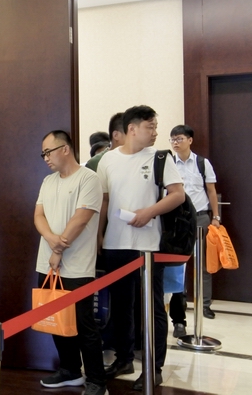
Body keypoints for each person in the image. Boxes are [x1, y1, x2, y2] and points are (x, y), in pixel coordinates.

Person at [97, 106, 185, 391]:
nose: (155, 132)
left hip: (149, 246)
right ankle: (124, 359)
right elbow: (104, 201)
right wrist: (98, 236)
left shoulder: (160, 158)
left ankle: (154, 367)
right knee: (121, 305)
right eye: (150, 127)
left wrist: (149, 212)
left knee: (153, 306)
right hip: (115, 243)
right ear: (132, 129)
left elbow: (177, 195)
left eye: (155, 126)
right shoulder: (108, 159)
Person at [35, 130, 108, 395]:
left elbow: (81, 218)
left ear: (65, 149)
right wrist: (51, 239)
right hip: (46, 264)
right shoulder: (48, 181)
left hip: (76, 266)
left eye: (48, 152)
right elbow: (38, 215)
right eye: (43, 154)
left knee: (84, 324)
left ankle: (97, 380)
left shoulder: (88, 179)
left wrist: (58, 248)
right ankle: (70, 370)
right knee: (56, 320)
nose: (45, 158)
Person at [169, 124, 220, 329]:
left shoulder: (202, 163)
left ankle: (204, 304)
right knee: (178, 264)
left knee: (204, 264)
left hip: (200, 217)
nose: (175, 142)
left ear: (190, 140)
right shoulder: (169, 163)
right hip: (178, 220)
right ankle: (179, 303)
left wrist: (216, 216)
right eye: (173, 139)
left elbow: (211, 191)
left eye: (179, 138)